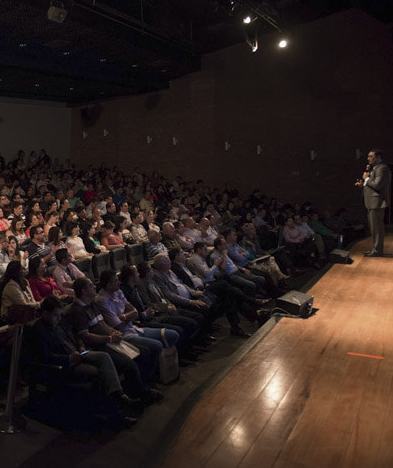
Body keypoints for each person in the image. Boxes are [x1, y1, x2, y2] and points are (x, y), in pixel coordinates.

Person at [32, 296, 138, 423]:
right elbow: (45, 356)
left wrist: (81, 345)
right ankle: (115, 415)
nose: (59, 318)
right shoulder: (38, 330)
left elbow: (74, 336)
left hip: (78, 353)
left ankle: (119, 394)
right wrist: (68, 358)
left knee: (104, 357)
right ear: (45, 314)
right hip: (65, 363)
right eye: (56, 315)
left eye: (60, 315)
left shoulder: (59, 322)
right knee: (98, 372)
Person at [355, 149, 391, 256]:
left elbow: (378, 185)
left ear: (378, 157)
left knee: (377, 228)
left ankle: (377, 251)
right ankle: (375, 249)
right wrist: (363, 184)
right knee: (374, 228)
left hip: (377, 203)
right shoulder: (374, 168)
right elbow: (372, 185)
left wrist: (366, 180)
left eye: (371, 156)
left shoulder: (382, 168)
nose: (368, 159)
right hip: (372, 202)